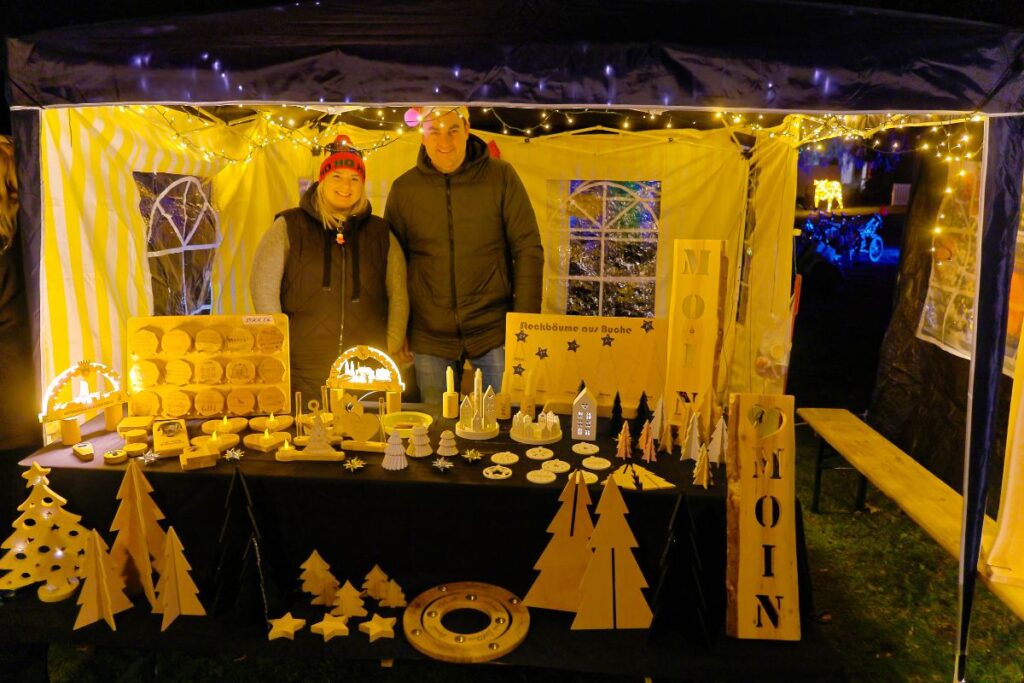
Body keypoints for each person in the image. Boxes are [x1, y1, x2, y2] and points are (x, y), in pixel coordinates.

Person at [385, 106, 543, 405]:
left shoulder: (501, 177)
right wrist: (398, 328)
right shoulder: (404, 189)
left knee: (502, 420)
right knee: (435, 425)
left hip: (493, 330)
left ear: (468, 130)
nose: (444, 141)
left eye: (453, 130)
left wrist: (524, 325)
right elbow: (393, 265)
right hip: (429, 335)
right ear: (422, 136)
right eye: (434, 131)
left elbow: (528, 249)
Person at [251, 135, 409, 401]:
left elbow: (399, 294)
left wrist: (390, 344)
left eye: (355, 179)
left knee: (364, 427)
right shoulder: (289, 226)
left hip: (365, 371)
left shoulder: (381, 234)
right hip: (301, 369)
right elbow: (263, 286)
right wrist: (278, 343)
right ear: (323, 180)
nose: (346, 186)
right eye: (337, 176)